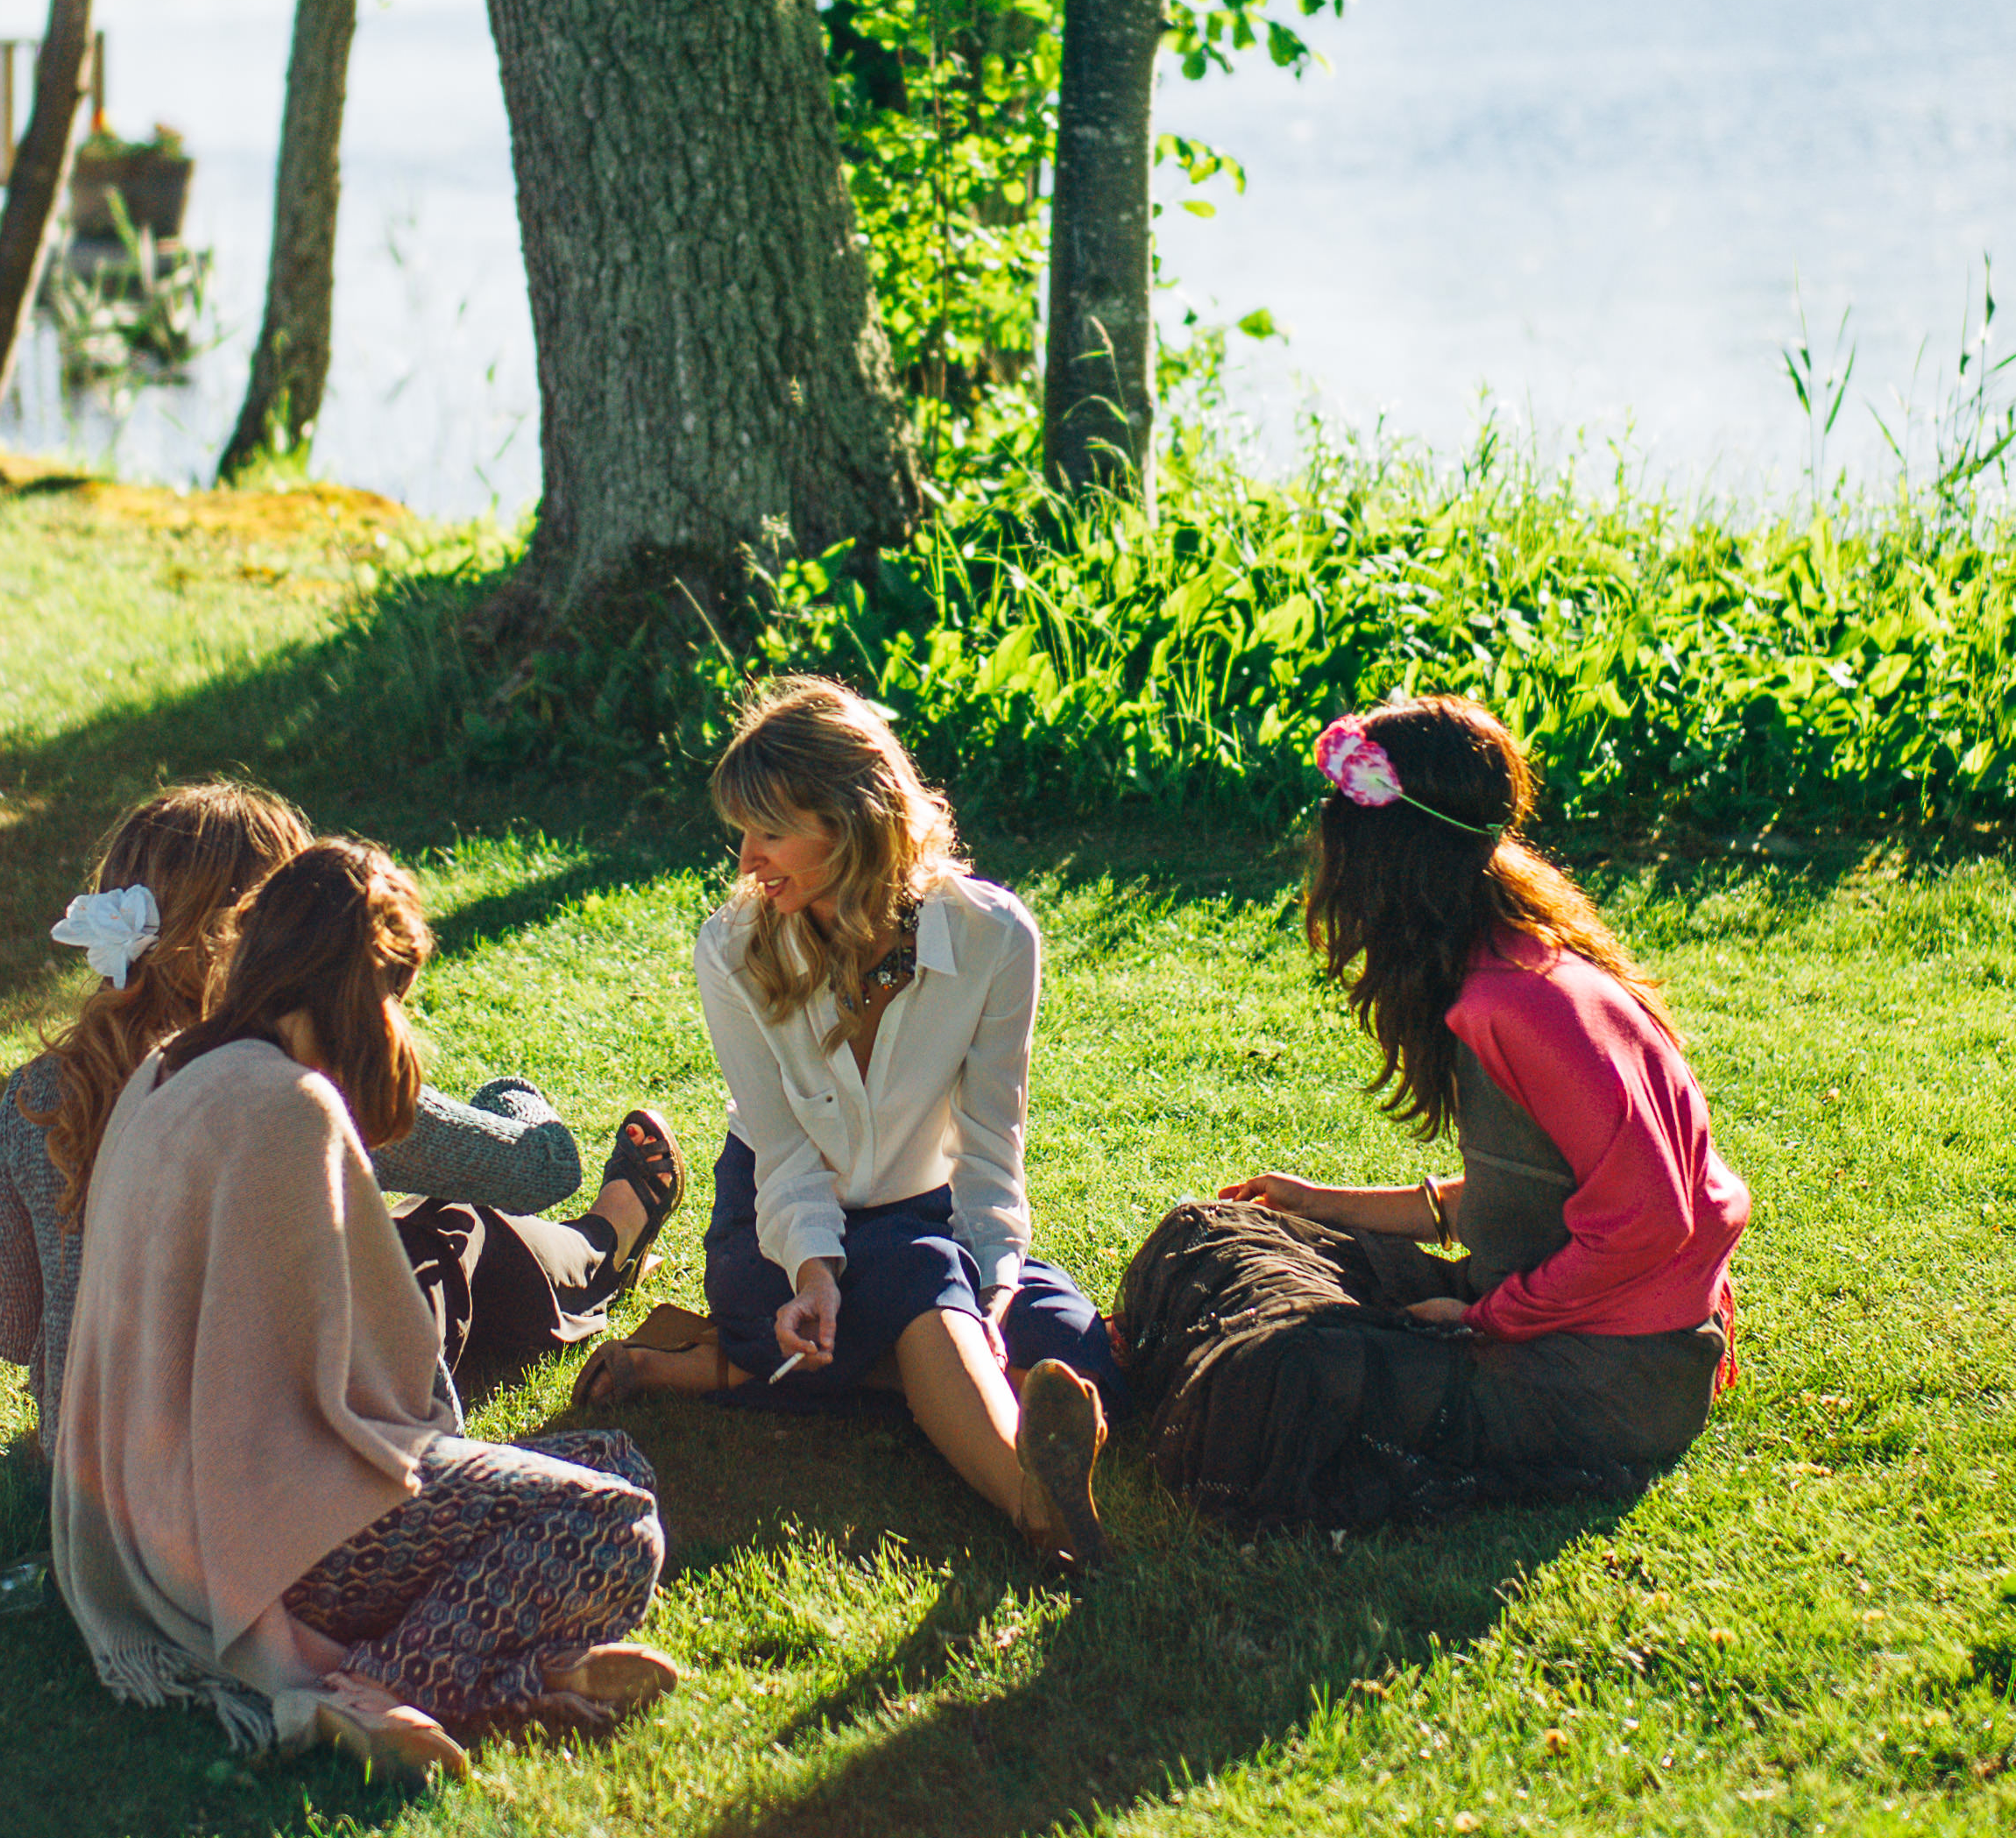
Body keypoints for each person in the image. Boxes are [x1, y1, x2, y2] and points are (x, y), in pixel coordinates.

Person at [51, 835, 675, 1775]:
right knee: (615, 1522)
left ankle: (525, 1676)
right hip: (260, 1533)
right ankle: (375, 1687)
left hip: (170, 1505)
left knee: (613, 1459)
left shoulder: (170, 1066)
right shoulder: (289, 1103)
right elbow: (378, 1370)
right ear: (364, 987)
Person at [1113, 694, 1750, 1530]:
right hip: (1553, 1313)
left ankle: (1113, 1392)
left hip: (1607, 1378)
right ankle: (1120, 1382)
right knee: (1211, 1233)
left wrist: (1486, 1321)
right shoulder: (1503, 964)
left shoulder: (1525, 1003)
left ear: (1388, 860)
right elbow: (1533, 1199)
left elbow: (1652, 1222)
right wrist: (1317, 1203)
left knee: (1285, 1374)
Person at [577, 675, 1115, 1577]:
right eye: (742, 832)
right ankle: (1036, 1506)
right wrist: (816, 1272)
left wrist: (993, 1289)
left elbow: (991, 1143)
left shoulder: (993, 937)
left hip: (923, 1214)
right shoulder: (731, 947)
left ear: (855, 822)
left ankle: (721, 1361)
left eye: (770, 832)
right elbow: (784, 1152)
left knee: (1076, 1348)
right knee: (917, 1279)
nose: (746, 860)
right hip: (777, 1231)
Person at [0, 781, 678, 1439]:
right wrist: (511, 1099)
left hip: (85, 1453)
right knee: (458, 1229)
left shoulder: (36, 1095)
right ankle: (605, 1244)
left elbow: (10, 1328)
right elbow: (542, 1169)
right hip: (264, 1452)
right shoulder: (291, 1085)